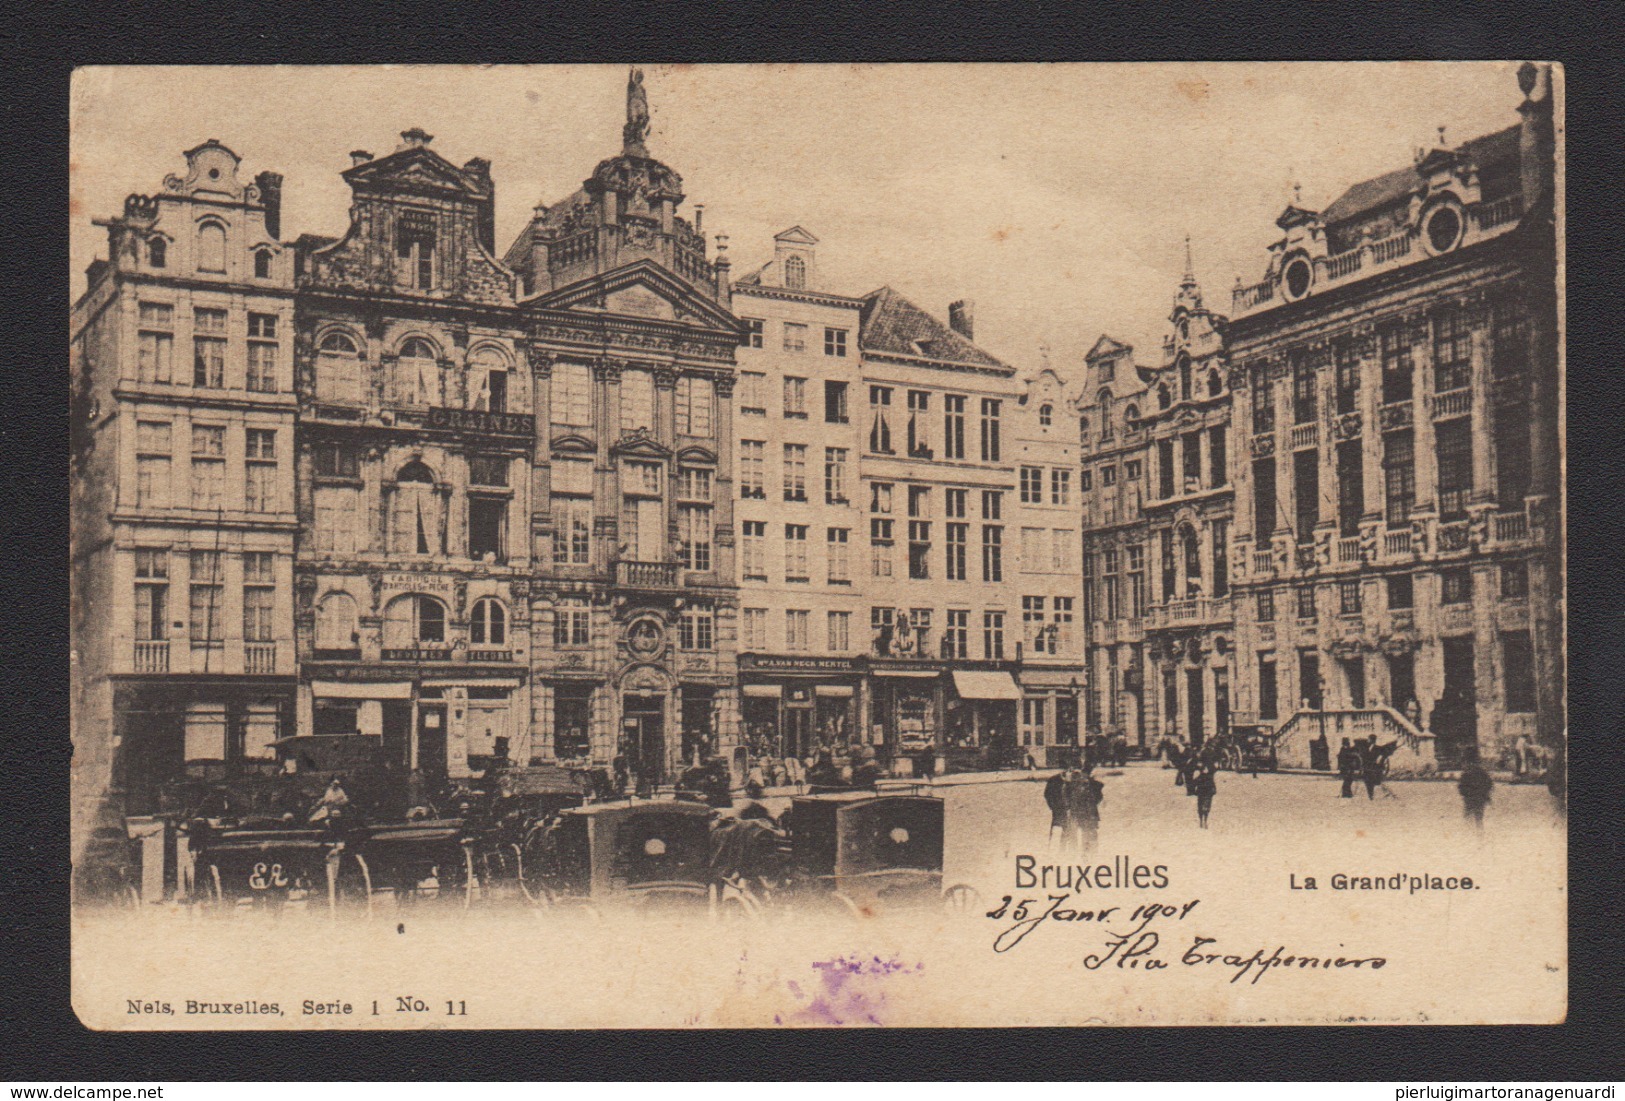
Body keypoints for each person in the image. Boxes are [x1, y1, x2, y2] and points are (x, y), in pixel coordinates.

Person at [1069, 764, 1105, 853]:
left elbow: (1099, 796)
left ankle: (1089, 852)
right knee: (1085, 833)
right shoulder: (1086, 785)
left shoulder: (1092, 785)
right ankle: (1085, 852)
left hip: (1087, 812)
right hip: (1084, 812)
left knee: (1088, 833)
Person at [1044, 768, 1076, 849]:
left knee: (1071, 831)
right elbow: (1047, 794)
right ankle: (1055, 850)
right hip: (1059, 809)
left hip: (1071, 810)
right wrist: (1053, 806)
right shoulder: (1053, 780)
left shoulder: (1076, 779)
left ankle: (1068, 850)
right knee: (1057, 830)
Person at [1458, 760, 1494, 828]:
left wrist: (1466, 794)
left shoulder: (1466, 774)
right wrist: (1486, 795)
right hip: (1480, 798)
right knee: (1478, 818)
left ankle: (1469, 832)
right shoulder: (1483, 773)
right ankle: (1479, 833)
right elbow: (1489, 785)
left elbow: (1461, 787)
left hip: (1470, 798)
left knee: (1469, 817)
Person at [1188, 759, 1217, 829]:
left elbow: (1193, 784)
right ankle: (1202, 821)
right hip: (1203, 793)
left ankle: (1204, 821)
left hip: (1206, 794)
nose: (1205, 770)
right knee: (1202, 808)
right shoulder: (1202, 777)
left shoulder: (1205, 777)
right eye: (1204, 769)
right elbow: (1193, 784)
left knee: (1205, 808)